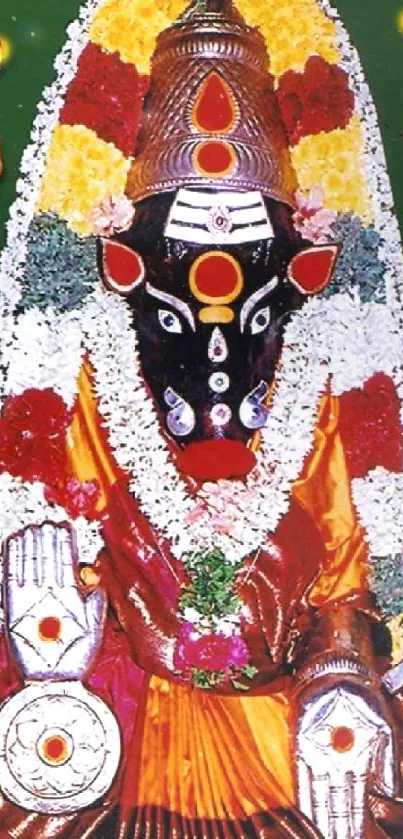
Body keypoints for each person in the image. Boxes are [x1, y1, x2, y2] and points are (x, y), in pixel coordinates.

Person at [0, 1, 402, 836]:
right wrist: (50, 649)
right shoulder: (73, 385)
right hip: (123, 733)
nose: (217, 244)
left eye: (244, 220)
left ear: (296, 251)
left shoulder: (327, 388)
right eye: (189, 216)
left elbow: (344, 585)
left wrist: (336, 671)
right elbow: (60, 567)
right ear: (129, 245)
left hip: (285, 735)